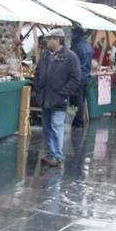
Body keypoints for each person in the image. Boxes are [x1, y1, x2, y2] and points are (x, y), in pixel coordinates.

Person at [31, 31, 82, 166]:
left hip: (59, 99)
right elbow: (37, 73)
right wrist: (38, 90)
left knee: (56, 125)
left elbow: (76, 78)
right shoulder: (45, 55)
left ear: (57, 40)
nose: (47, 42)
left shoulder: (70, 57)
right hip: (45, 97)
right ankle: (52, 153)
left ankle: (57, 156)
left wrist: (63, 93)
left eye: (49, 39)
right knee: (47, 127)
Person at [70, 29, 94, 128]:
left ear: (75, 34)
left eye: (72, 34)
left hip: (78, 77)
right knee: (82, 100)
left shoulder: (76, 46)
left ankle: (77, 121)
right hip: (86, 76)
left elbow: (72, 62)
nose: (71, 36)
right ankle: (80, 120)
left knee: (77, 101)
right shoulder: (88, 46)